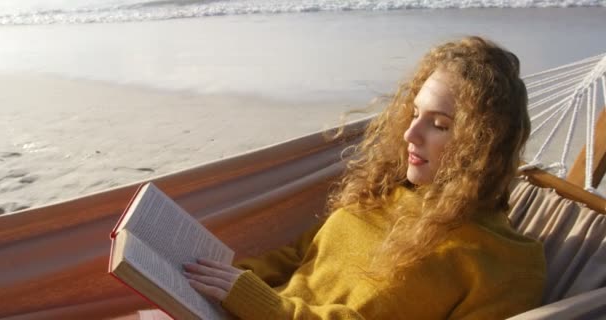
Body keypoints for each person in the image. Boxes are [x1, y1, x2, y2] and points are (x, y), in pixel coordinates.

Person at [183, 36, 546, 319]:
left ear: (483, 144)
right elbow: (302, 256)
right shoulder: (386, 192)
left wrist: (265, 307)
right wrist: (221, 279)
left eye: (439, 125)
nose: (410, 134)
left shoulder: (505, 263)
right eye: (414, 113)